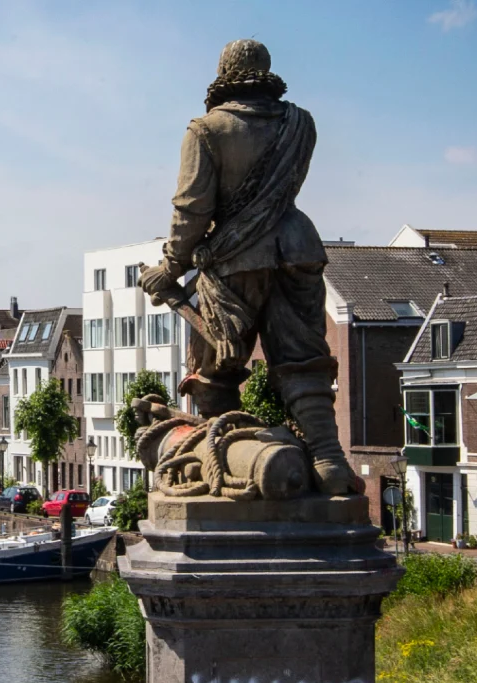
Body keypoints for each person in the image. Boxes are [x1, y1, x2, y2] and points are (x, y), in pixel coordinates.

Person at [135, 40, 358, 494]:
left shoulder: (206, 130)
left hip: (234, 259)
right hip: (298, 247)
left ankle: (227, 462)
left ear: (222, 73)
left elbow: (193, 209)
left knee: (217, 365)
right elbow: (281, 193)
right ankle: (329, 460)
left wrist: (171, 267)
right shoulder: (301, 123)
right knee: (304, 361)